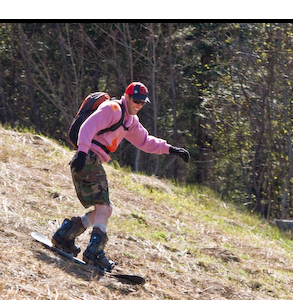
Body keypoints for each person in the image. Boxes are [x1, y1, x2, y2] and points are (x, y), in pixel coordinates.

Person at [53, 81, 190, 271]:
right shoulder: (112, 109)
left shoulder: (130, 121)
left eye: (143, 102)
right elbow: (87, 127)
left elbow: (146, 141)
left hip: (92, 160)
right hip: (87, 159)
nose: (139, 105)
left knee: (105, 210)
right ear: (126, 97)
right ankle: (94, 253)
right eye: (136, 100)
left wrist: (171, 149)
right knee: (104, 207)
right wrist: (83, 152)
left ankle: (66, 235)